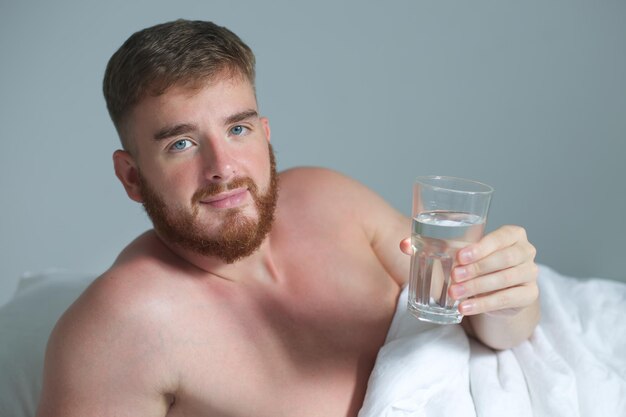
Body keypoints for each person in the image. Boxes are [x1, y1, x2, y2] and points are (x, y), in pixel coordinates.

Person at [36, 19, 540, 417]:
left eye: (238, 129)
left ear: (265, 132)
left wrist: (504, 300)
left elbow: (487, 332)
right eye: (182, 143)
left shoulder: (331, 199)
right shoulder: (117, 332)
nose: (223, 168)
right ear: (131, 177)